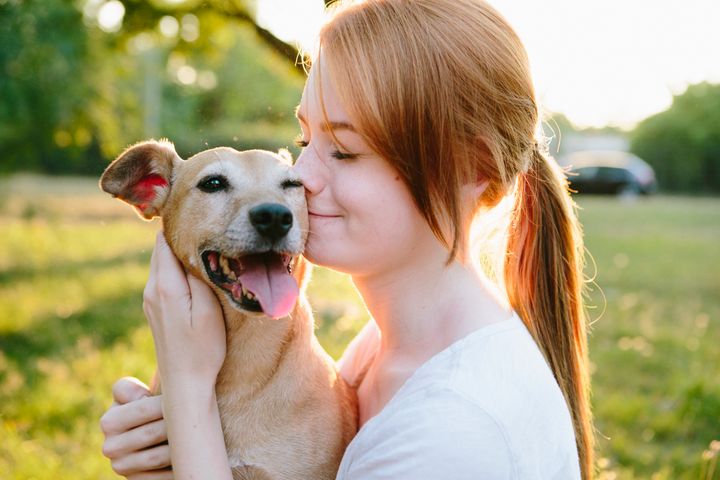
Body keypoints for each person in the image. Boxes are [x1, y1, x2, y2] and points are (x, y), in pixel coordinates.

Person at [99, 0, 595, 478]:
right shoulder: (384, 346)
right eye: (305, 141)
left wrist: (186, 390)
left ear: (473, 167)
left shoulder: (454, 434)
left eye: (346, 151)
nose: (299, 177)